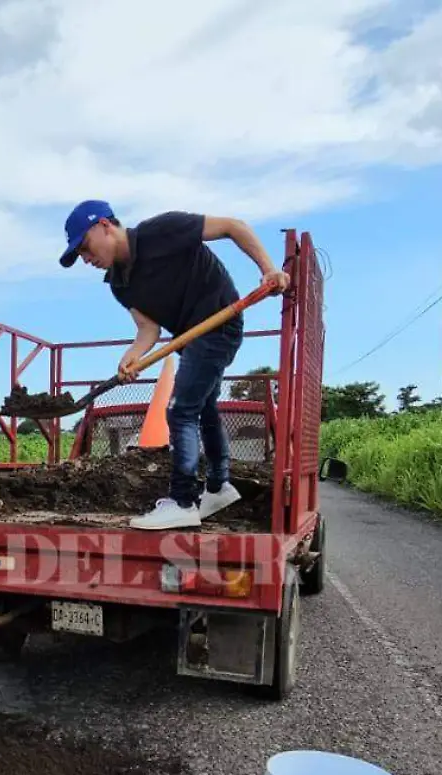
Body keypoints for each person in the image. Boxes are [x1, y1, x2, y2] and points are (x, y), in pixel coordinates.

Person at [57, 199, 288, 530]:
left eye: (84, 247)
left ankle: (182, 500)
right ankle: (218, 487)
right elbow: (148, 329)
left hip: (218, 325)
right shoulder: (120, 284)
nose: (86, 258)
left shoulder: (162, 231)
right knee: (203, 408)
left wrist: (268, 269)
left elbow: (233, 226)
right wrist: (132, 355)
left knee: (180, 410)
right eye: (79, 254)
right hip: (193, 338)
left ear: (104, 226)